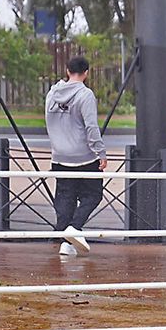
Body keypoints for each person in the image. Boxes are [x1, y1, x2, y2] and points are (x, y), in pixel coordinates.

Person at [44, 55, 108, 257]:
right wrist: (101, 152)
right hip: (84, 157)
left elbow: (49, 123)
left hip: (60, 156)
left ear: (67, 71)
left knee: (65, 198)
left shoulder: (52, 94)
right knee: (93, 195)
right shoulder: (85, 95)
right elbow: (91, 127)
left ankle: (66, 242)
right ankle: (74, 227)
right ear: (86, 73)